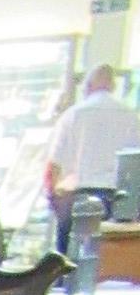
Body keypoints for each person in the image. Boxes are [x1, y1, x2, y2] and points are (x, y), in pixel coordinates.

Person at [44, 63, 140, 256]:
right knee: (108, 260)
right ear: (113, 86)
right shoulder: (132, 117)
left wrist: (52, 197)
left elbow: (53, 165)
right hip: (118, 201)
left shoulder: (72, 115)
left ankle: (66, 283)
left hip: (76, 198)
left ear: (87, 86)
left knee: (68, 260)